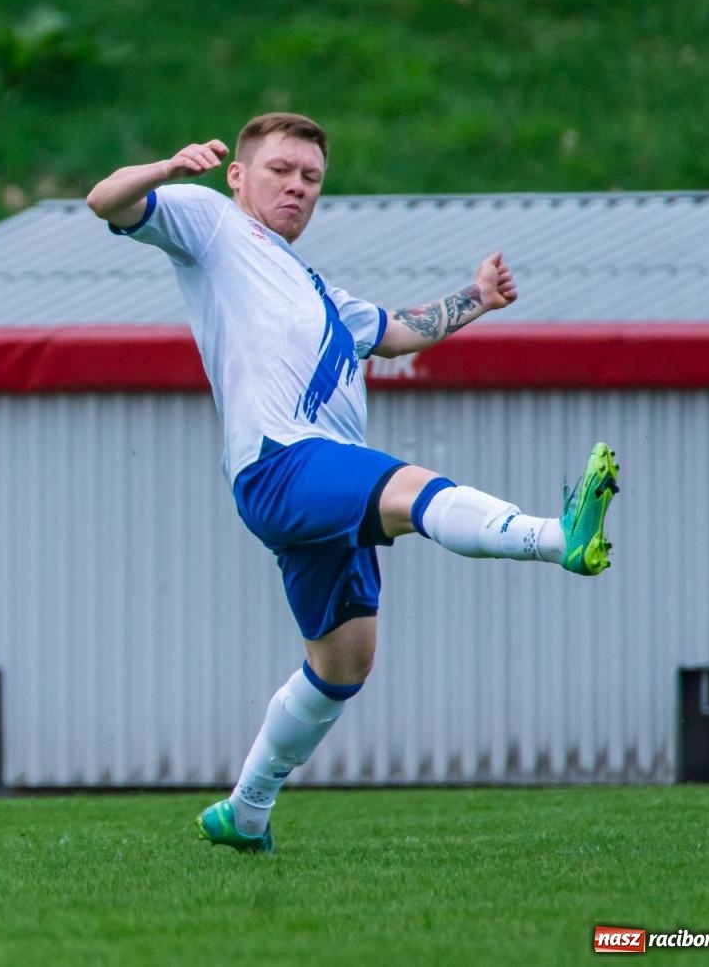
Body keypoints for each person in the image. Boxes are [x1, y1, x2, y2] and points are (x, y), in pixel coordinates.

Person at [86, 112, 620, 853]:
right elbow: (105, 201)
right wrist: (166, 169)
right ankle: (556, 537)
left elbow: (396, 332)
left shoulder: (320, 292)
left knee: (342, 665)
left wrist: (476, 298)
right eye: (280, 170)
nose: (297, 187)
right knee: (410, 489)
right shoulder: (211, 225)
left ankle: (246, 810)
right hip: (283, 462)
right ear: (237, 175)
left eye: (311, 178)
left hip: (314, 482)